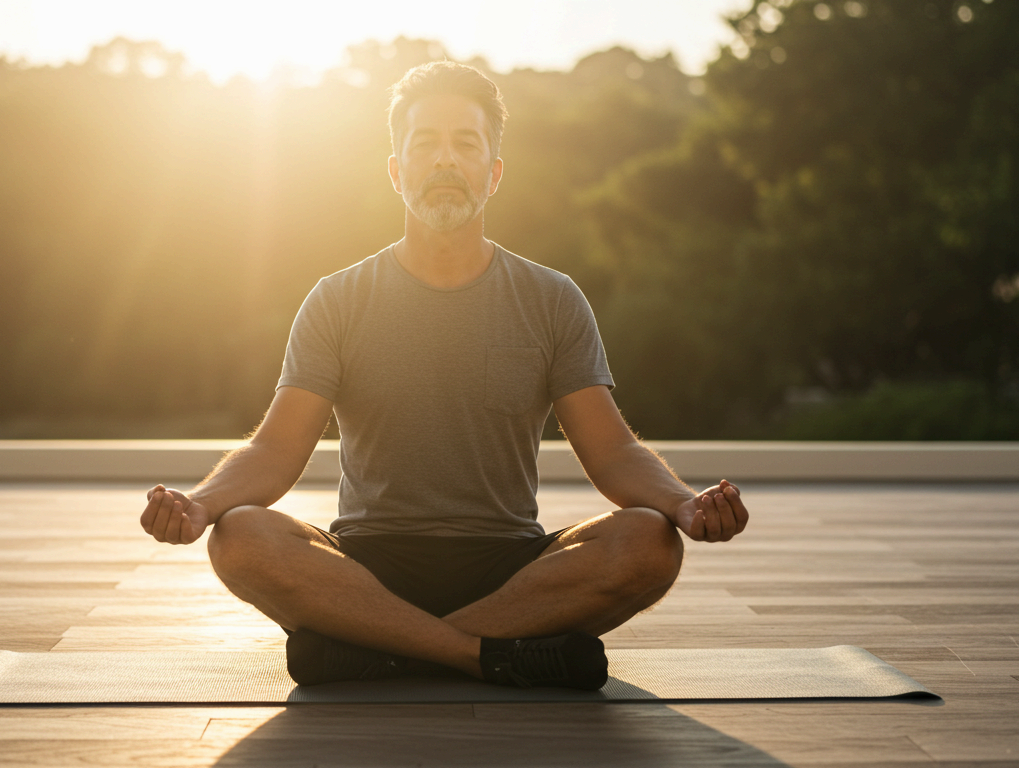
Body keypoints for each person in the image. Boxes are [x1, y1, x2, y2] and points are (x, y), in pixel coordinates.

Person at [139, 61, 748, 691]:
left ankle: (380, 646)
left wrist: (682, 504)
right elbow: (274, 450)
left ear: (494, 172)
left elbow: (613, 451)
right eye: (425, 142)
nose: (445, 159)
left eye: (466, 143)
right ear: (396, 171)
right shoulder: (336, 300)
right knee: (239, 536)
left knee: (650, 542)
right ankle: (488, 655)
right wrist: (201, 504)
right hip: (368, 561)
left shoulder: (553, 299)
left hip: (509, 565)